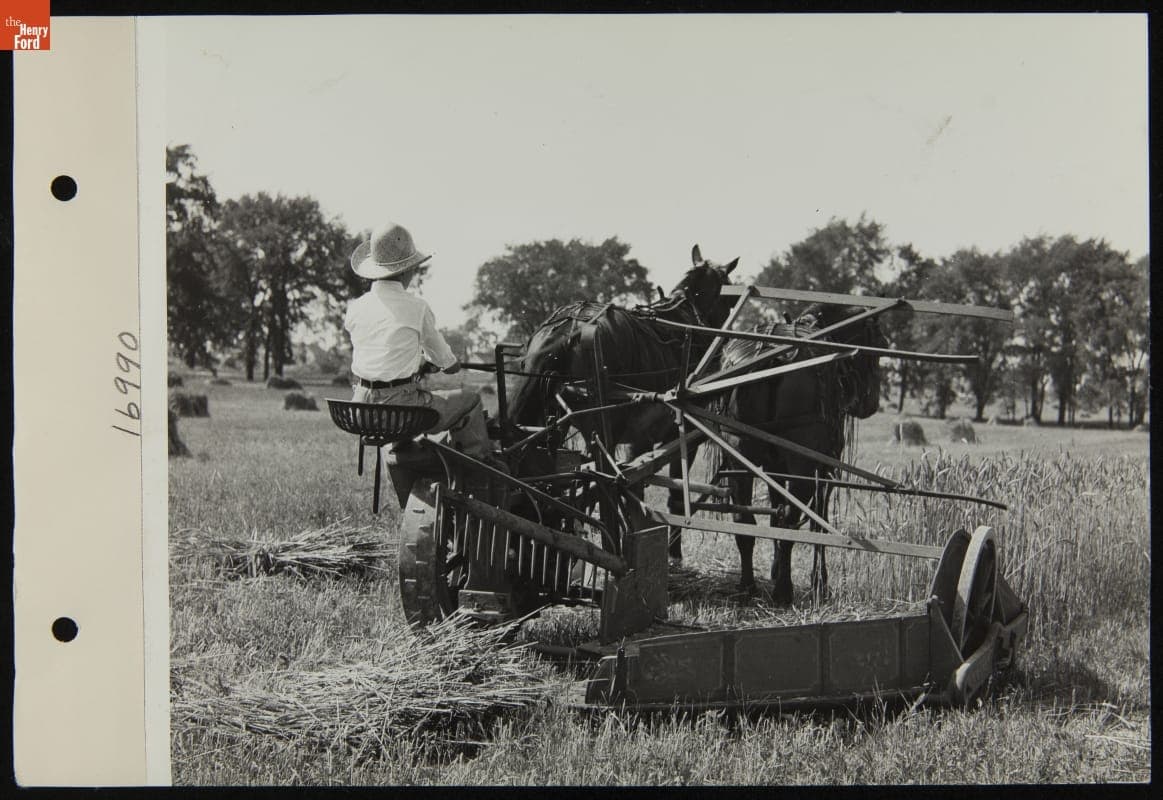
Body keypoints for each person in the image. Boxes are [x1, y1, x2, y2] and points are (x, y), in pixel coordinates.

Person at [344, 221, 492, 461]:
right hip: (399, 410)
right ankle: (478, 475)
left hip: (362, 408)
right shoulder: (417, 308)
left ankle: (412, 465)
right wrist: (449, 364)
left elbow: (382, 349)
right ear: (403, 270)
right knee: (471, 401)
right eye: (413, 268)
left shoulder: (355, 308)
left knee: (413, 400)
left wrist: (417, 359)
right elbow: (444, 360)